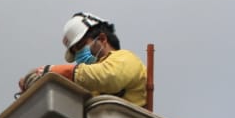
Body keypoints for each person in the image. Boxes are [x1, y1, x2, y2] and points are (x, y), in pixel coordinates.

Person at [18, 12, 148, 108]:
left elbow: (108, 76)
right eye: (75, 52)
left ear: (102, 39)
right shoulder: (88, 86)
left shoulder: (126, 58)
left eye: (80, 46)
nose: (79, 55)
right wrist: (37, 91)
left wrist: (50, 72)